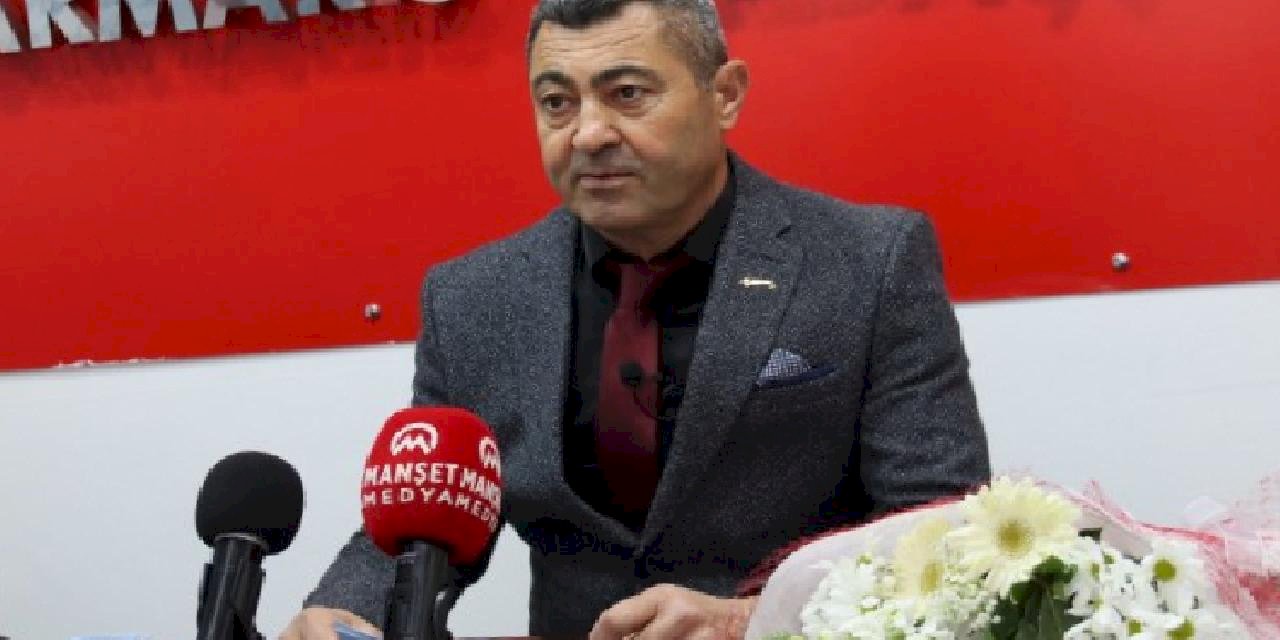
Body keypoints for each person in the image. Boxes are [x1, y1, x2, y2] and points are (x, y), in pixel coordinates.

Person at [282, 0, 990, 638]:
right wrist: (347, 610)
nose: (588, 134)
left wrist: (755, 619)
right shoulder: (473, 298)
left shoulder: (869, 262)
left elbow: (943, 535)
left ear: (725, 95)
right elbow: (428, 516)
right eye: (557, 103)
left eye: (627, 94)